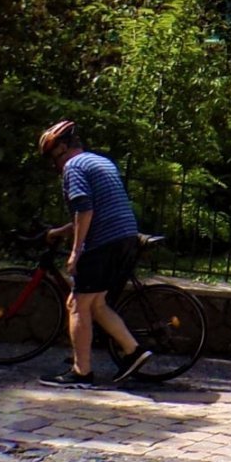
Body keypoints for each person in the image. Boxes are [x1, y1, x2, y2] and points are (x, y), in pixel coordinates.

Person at [37, 120, 152, 386]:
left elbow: (85, 211)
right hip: (124, 237)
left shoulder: (73, 167)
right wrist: (58, 232)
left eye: (51, 157)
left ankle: (82, 372)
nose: (53, 164)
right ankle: (134, 351)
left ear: (62, 148)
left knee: (76, 304)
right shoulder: (100, 161)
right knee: (96, 304)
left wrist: (76, 251)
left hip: (102, 243)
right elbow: (94, 212)